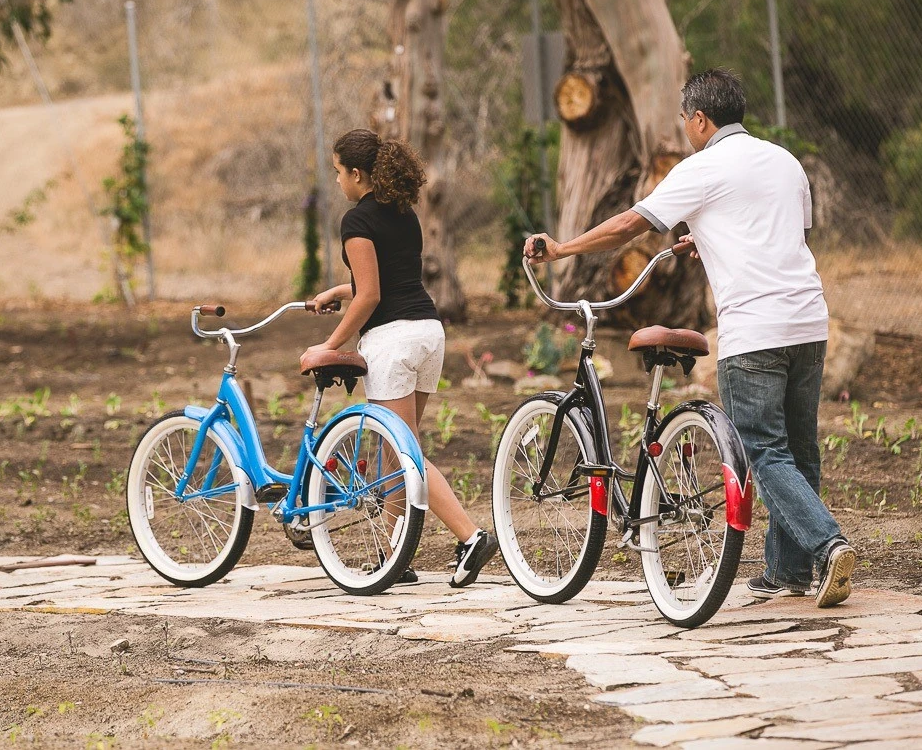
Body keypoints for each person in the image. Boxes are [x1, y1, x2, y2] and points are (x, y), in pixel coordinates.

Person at [523, 68, 855, 608]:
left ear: (700, 119)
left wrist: (562, 249)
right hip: (809, 322)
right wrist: (714, 239)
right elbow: (781, 234)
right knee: (800, 448)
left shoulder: (701, 168)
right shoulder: (785, 161)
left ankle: (828, 544)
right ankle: (789, 571)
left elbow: (630, 225)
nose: (683, 130)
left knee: (763, 451)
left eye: (684, 120)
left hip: (755, 330)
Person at [302, 128, 498, 588]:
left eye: (338, 174)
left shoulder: (356, 222)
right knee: (395, 452)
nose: (336, 183)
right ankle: (395, 556)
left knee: (406, 453)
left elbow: (370, 297)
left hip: (393, 342)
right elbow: (391, 281)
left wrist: (330, 346)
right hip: (428, 334)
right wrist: (339, 289)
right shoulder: (403, 213)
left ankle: (471, 537)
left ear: (357, 174)